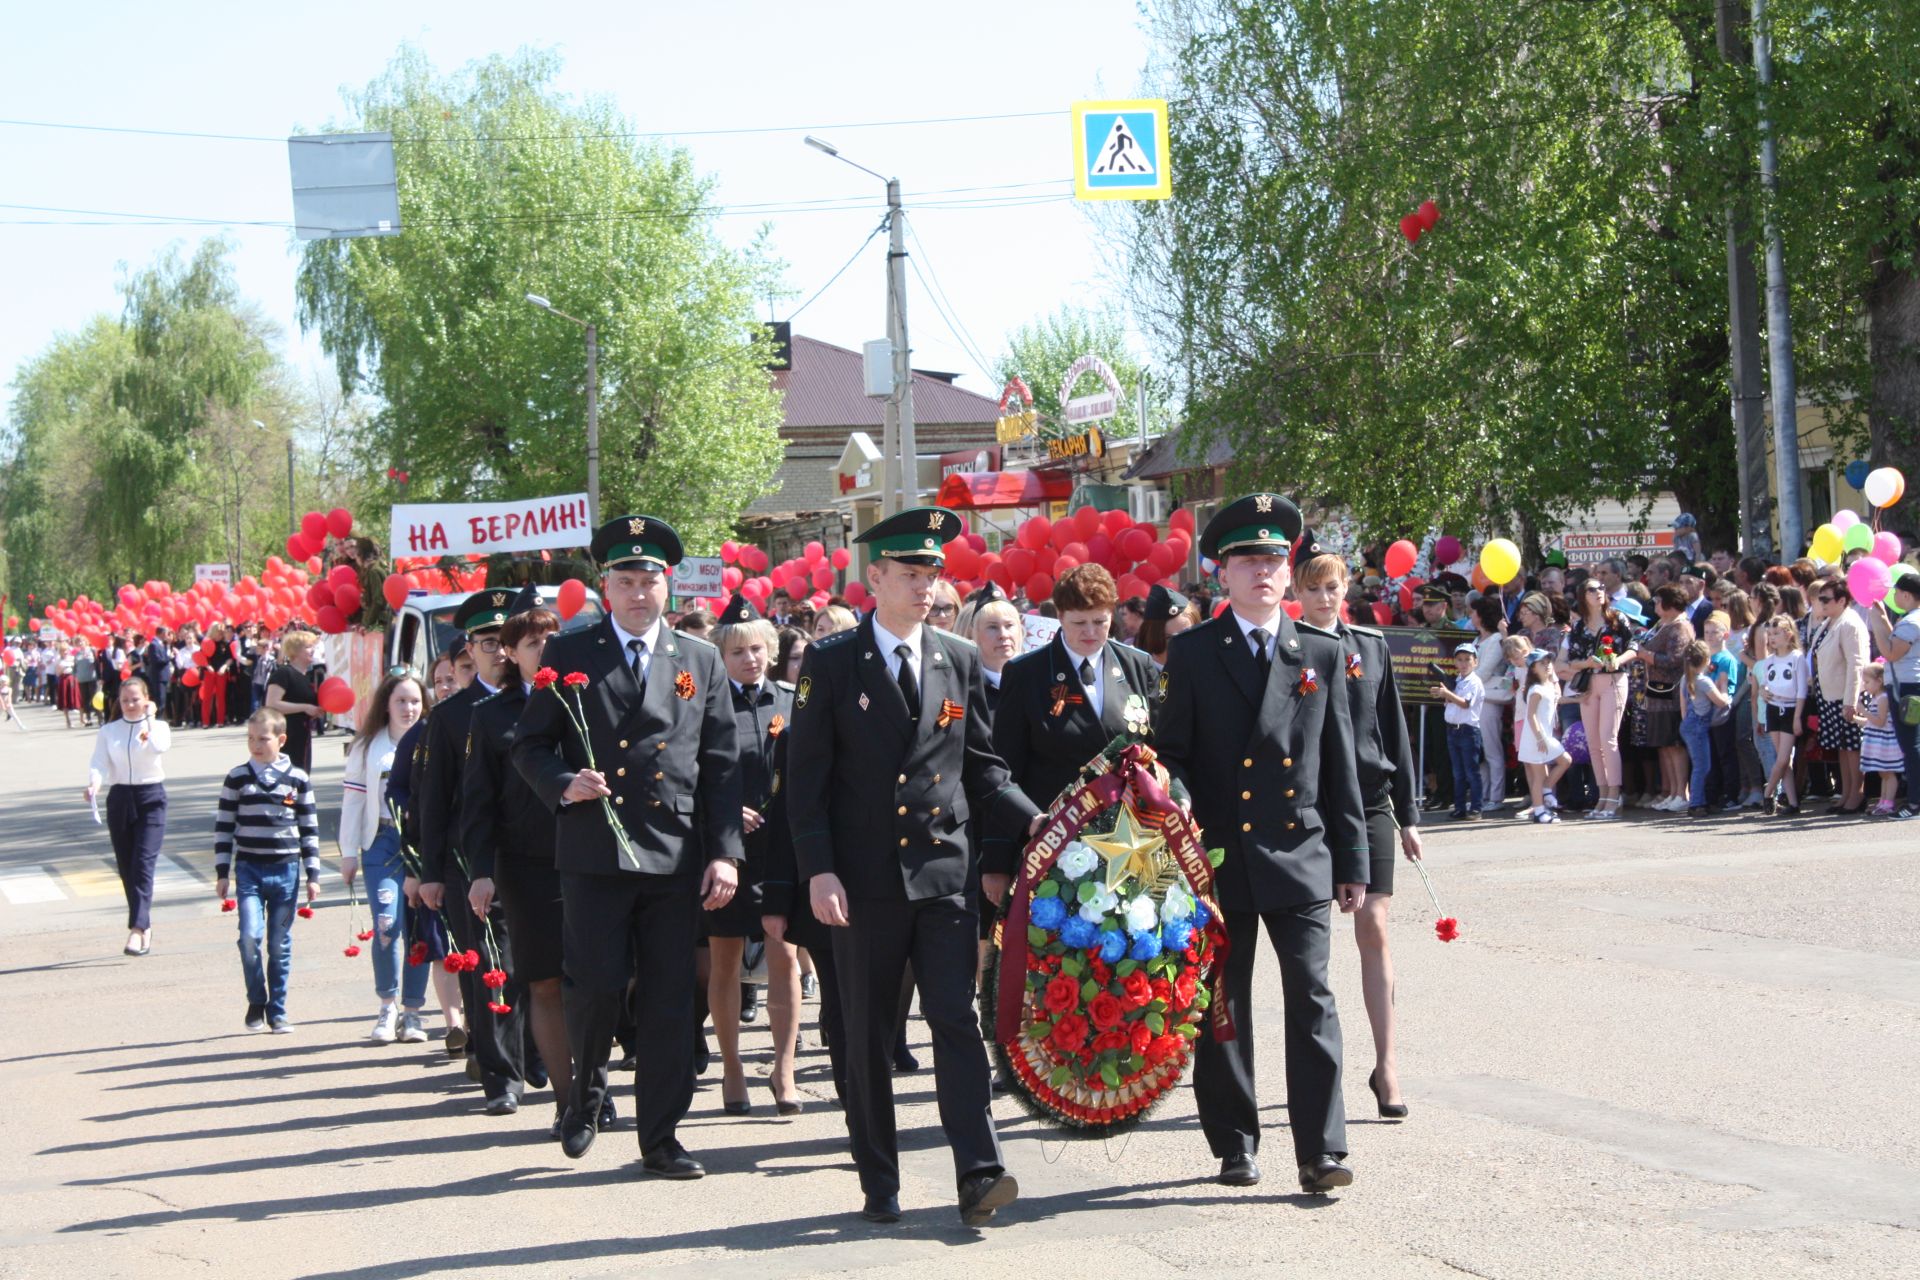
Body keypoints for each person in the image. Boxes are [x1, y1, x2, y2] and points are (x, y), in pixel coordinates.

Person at [787, 506, 1040, 1226]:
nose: (925, 585)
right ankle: (879, 1177)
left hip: (943, 872)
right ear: (875, 578)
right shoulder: (832, 663)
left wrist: (1041, 819)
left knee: (957, 1018)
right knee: (866, 1031)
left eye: (933, 573)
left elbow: (983, 767)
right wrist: (818, 869)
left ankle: (980, 1172)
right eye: (910, 573)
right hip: (863, 879)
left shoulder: (956, 658)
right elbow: (804, 779)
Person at [511, 514, 743, 1177]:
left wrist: (725, 851)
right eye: (626, 581)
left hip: (673, 856)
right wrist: (562, 781)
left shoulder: (699, 660)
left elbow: (722, 765)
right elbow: (529, 744)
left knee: (671, 998)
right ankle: (584, 1092)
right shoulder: (572, 653)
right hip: (597, 852)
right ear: (603, 588)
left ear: (667, 586)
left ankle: (662, 1137)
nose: (639, 594)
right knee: (598, 987)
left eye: (650, 581)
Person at [1155, 493, 1368, 1195]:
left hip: (1300, 849)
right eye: (1250, 560)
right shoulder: (1191, 653)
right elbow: (1173, 751)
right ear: (1222, 573)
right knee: (1223, 1004)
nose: (1266, 572)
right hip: (1219, 855)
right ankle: (1235, 1142)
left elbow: (1340, 764)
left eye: (1277, 559)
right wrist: (1175, 792)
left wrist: (1354, 860)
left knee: (1311, 998)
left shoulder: (1321, 652)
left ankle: (1322, 1150)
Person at [1292, 541, 1420, 1120]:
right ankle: (1319, 1068)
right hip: (1310, 806)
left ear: (1346, 590)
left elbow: (1393, 730)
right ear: (1297, 592)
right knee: (1307, 942)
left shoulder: (1370, 648)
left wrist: (1410, 815)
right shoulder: (1286, 651)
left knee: (1374, 926)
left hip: (1369, 803)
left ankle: (1387, 1063)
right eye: (1313, 587)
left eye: (1333, 586)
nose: (1324, 596)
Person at [464, 597, 588, 1138]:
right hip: (526, 865)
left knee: (596, 981)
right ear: (512, 653)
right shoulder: (490, 716)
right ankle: (569, 1099)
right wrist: (482, 870)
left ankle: (593, 1084)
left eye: (550, 637)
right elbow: (478, 801)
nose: (544, 648)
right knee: (543, 983)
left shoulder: (583, 696)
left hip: (590, 857)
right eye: (532, 641)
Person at [419, 589, 527, 1116]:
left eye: (508, 641)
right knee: (488, 965)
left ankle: (538, 1055)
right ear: (469, 647)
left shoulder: (543, 698)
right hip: (472, 863)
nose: (500, 652)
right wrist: (432, 872)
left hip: (538, 857)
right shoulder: (452, 715)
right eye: (489, 642)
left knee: (536, 965)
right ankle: (501, 1074)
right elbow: (434, 801)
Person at [707, 592, 806, 1115]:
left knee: (784, 953)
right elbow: (698, 772)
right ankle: (733, 1068)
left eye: (758, 649)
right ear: (721, 658)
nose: (751, 659)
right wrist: (726, 815)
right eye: (738, 652)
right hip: (729, 849)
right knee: (724, 958)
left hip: (781, 847)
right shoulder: (707, 702)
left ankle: (784, 1068)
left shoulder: (791, 700)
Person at [992, 563, 1159, 818]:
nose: (1090, 632)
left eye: (1100, 621)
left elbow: (1159, 747)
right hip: (1057, 831)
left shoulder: (1138, 665)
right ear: (1060, 616)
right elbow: (1006, 764)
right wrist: (1029, 821)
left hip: (1129, 827)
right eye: (1079, 622)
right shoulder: (1026, 673)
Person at [339, 669, 431, 1045]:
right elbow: (353, 801)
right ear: (386, 705)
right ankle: (387, 1005)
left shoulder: (433, 739)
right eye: (400, 701)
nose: (408, 708)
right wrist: (348, 853)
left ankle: (413, 1012)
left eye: (414, 701)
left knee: (417, 928)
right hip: (380, 841)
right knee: (386, 923)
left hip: (422, 843)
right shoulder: (366, 747)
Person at [214, 709, 321, 1033]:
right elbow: (224, 827)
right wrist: (222, 872)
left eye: (263, 739)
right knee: (249, 936)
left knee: (279, 943)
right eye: (251, 739)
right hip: (249, 871)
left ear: (281, 739)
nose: (256, 745)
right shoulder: (237, 777)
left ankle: (277, 1010)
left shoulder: (298, 780)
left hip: (286, 873)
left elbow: (309, 828)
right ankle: (256, 999)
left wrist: (313, 875)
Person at [85, 677, 171, 956]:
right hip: (120, 798)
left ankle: (137, 928)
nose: (130, 705)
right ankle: (144, 924)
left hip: (151, 798)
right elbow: (99, 762)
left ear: (146, 699)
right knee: (126, 867)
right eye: (125, 700)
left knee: (143, 864)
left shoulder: (158, 727)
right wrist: (94, 783)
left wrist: (149, 717)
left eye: (135, 699)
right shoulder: (109, 731)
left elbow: (158, 747)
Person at [1562, 580, 1637, 820]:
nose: (1599, 593)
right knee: (1594, 743)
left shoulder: (1617, 619)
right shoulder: (1578, 627)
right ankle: (1602, 796)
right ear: (1583, 595)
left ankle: (1614, 795)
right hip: (1589, 682)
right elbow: (1571, 661)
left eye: (1602, 588)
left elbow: (1634, 646)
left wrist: (1618, 660)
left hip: (1613, 680)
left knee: (1608, 738)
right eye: (1592, 589)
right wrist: (1587, 663)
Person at [1807, 577, 1870, 815]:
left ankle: (1858, 794)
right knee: (1842, 747)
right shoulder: (1829, 622)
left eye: (1826, 599)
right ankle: (1846, 794)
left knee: (1853, 747)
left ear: (1842, 600)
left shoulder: (1850, 624)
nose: (1821, 603)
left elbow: (1857, 664)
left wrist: (1851, 701)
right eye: (1819, 598)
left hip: (1847, 695)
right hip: (1829, 695)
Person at [1864, 571, 1920, 819]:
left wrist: (1876, 621)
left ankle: (1915, 803)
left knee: (1912, 747)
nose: (1894, 595)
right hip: (1909, 686)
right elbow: (1894, 640)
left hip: (1908, 688)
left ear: (1907, 594)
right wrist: (1884, 618)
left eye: (1897, 592)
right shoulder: (1910, 619)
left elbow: (1890, 652)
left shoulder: (1911, 622)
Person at [1432, 641, 1486, 819]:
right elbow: (1452, 704)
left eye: (1467, 660)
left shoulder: (1474, 682)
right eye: (1460, 660)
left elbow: (1465, 703)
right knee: (1458, 772)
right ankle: (1460, 807)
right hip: (1453, 730)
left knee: (1471, 771)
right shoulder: (1457, 680)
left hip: (1468, 730)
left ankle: (1476, 808)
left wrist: (1447, 694)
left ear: (1475, 662)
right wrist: (1443, 695)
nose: (1463, 664)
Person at [1517, 648, 1571, 823]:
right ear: (1533, 668)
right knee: (1538, 776)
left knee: (1565, 760)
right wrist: (1540, 738)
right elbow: (1531, 715)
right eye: (1542, 663)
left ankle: (1547, 789)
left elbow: (1558, 700)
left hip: (1545, 736)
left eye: (1548, 662)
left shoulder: (1548, 687)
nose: (1547, 665)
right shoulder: (1536, 689)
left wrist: (1580, 698)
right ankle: (1539, 812)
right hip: (1536, 737)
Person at [1678, 641, 1730, 817]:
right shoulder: (1703, 681)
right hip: (1699, 726)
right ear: (1706, 660)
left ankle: (1702, 800)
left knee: (1698, 764)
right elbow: (1721, 702)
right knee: (1702, 766)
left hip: (1688, 725)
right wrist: (1724, 686)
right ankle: (1696, 803)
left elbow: (1683, 706)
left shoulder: (1685, 678)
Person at [1850, 662, 1903, 816]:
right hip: (1878, 741)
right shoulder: (1876, 698)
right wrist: (1855, 719)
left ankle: (1889, 802)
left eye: (1867, 682)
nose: (1865, 686)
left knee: (1888, 772)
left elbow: (1880, 721)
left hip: (1885, 741)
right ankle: (1883, 801)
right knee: (1883, 773)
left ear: (1879, 681)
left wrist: (1863, 711)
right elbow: (1871, 722)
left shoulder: (1882, 698)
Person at [265, 632, 322, 774]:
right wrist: (305, 707)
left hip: (302, 736)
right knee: (287, 780)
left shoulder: (306, 677)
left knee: (300, 777)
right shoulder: (284, 673)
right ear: (296, 650)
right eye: (308, 647)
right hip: (286, 736)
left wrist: (315, 711)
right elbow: (272, 704)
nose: (313, 650)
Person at [1137, 584, 1199, 670]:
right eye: (1170, 639)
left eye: (1188, 636)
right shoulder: (1137, 677)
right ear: (1151, 636)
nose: (1182, 646)